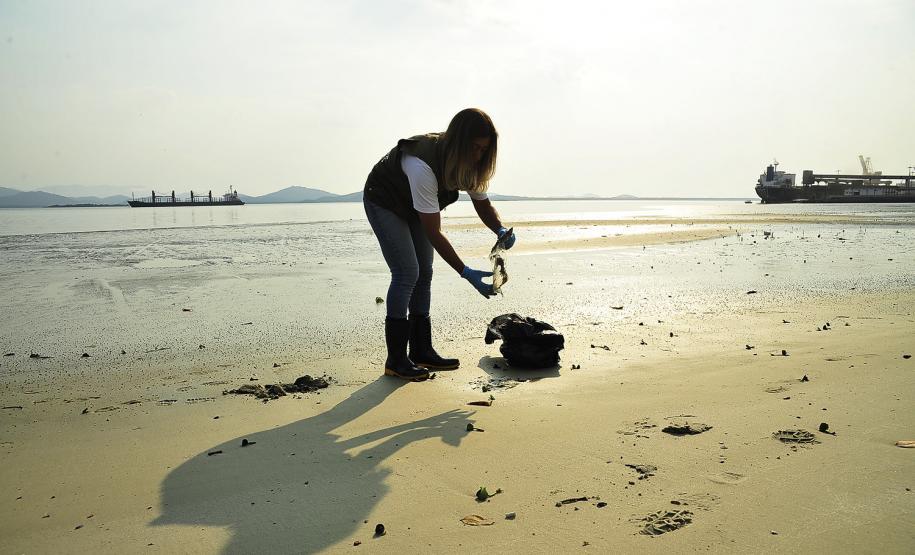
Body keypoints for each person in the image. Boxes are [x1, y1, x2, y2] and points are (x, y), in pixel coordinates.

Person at [363, 108, 516, 381]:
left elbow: (483, 204)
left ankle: (422, 351)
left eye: (484, 149)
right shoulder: (422, 164)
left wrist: (500, 229)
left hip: (413, 207)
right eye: (474, 148)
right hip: (384, 199)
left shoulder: (469, 163)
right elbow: (433, 231)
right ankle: (396, 360)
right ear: (458, 143)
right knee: (407, 272)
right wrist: (465, 271)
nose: (478, 155)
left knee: (426, 272)